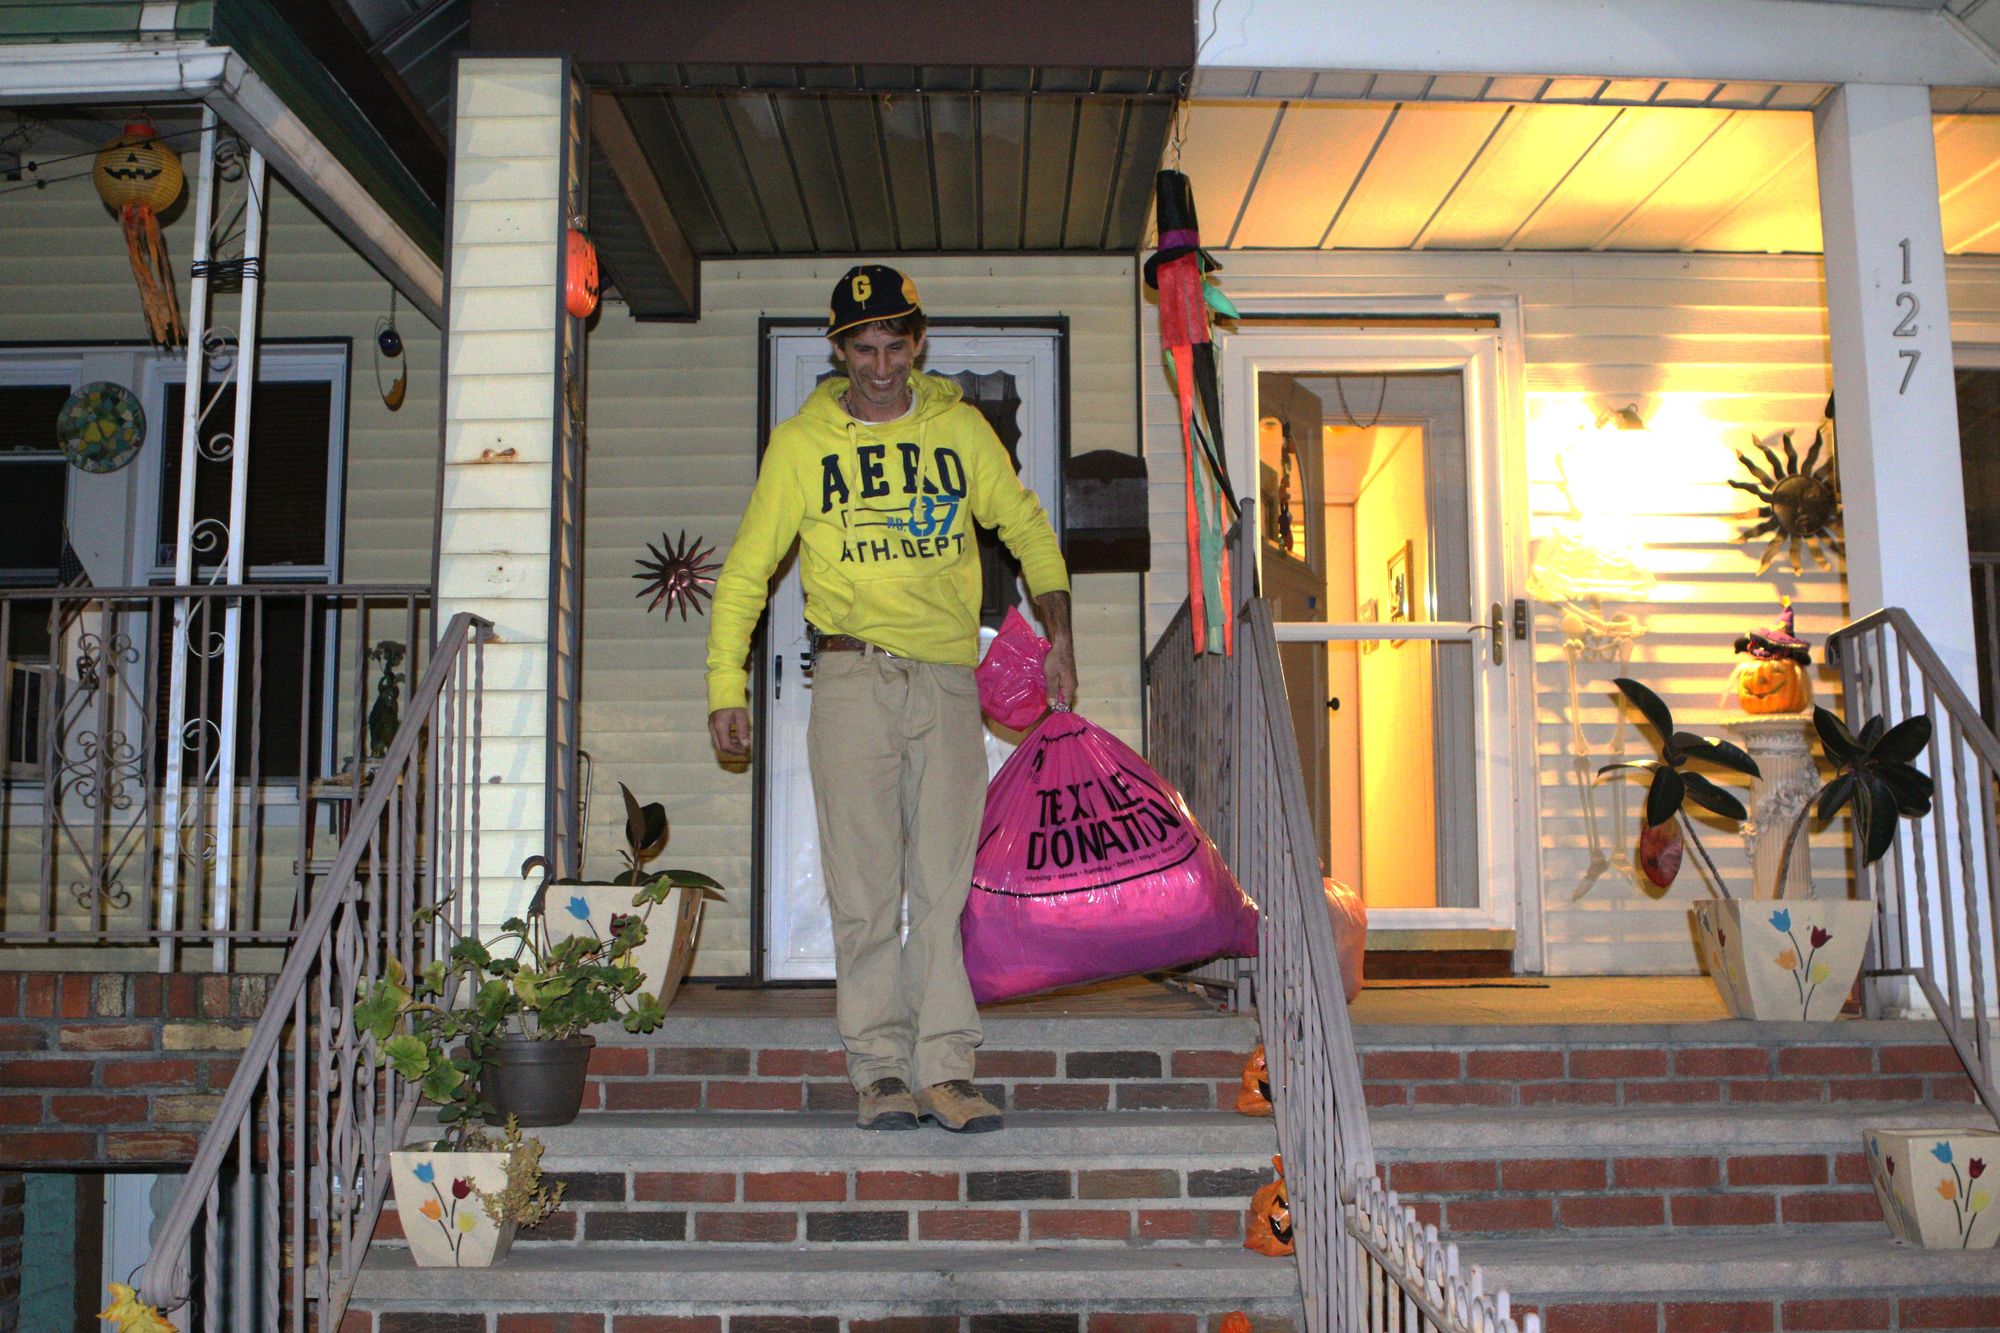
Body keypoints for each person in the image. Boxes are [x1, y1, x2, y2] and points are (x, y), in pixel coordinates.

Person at [705, 264, 1076, 1134]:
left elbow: (1026, 528)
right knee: (865, 889)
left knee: (943, 883)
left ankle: (945, 1067)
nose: (881, 365)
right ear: (839, 350)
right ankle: (878, 1069)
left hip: (948, 681)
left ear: (918, 342)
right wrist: (727, 681)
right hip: (849, 678)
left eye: (895, 345)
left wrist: (1061, 638)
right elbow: (748, 571)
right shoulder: (801, 446)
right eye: (863, 347)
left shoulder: (961, 429)